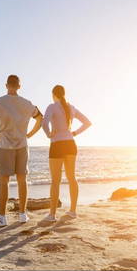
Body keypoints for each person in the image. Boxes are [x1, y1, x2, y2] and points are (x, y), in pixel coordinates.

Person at [0, 75, 42, 226]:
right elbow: (41, 118)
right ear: (19, 86)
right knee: (22, 180)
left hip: (4, 145)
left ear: (6, 85)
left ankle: (2, 217)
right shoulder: (27, 104)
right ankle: (22, 215)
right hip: (22, 144)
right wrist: (30, 134)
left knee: (4, 182)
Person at [42, 85, 91, 221]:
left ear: (53, 94)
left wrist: (48, 134)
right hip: (70, 144)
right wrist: (74, 132)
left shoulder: (51, 107)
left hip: (57, 144)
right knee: (71, 178)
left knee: (55, 181)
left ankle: (52, 215)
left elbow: (44, 123)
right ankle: (73, 211)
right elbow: (87, 123)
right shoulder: (72, 107)